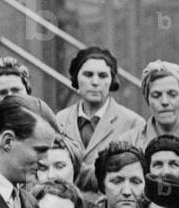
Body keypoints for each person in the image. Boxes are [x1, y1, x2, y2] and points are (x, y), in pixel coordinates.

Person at [57, 45, 145, 183]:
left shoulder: (133, 123)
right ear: (76, 79)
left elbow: (134, 174)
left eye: (103, 75)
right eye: (88, 75)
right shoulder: (59, 120)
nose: (95, 82)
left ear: (112, 81)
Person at [0, 57, 56, 173]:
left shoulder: (52, 132)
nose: (10, 97)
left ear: (28, 91)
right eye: (2, 93)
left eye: (16, 90)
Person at [119, 60, 179, 168]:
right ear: (147, 99)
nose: (164, 101)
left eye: (172, 94)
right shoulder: (129, 142)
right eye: (156, 95)